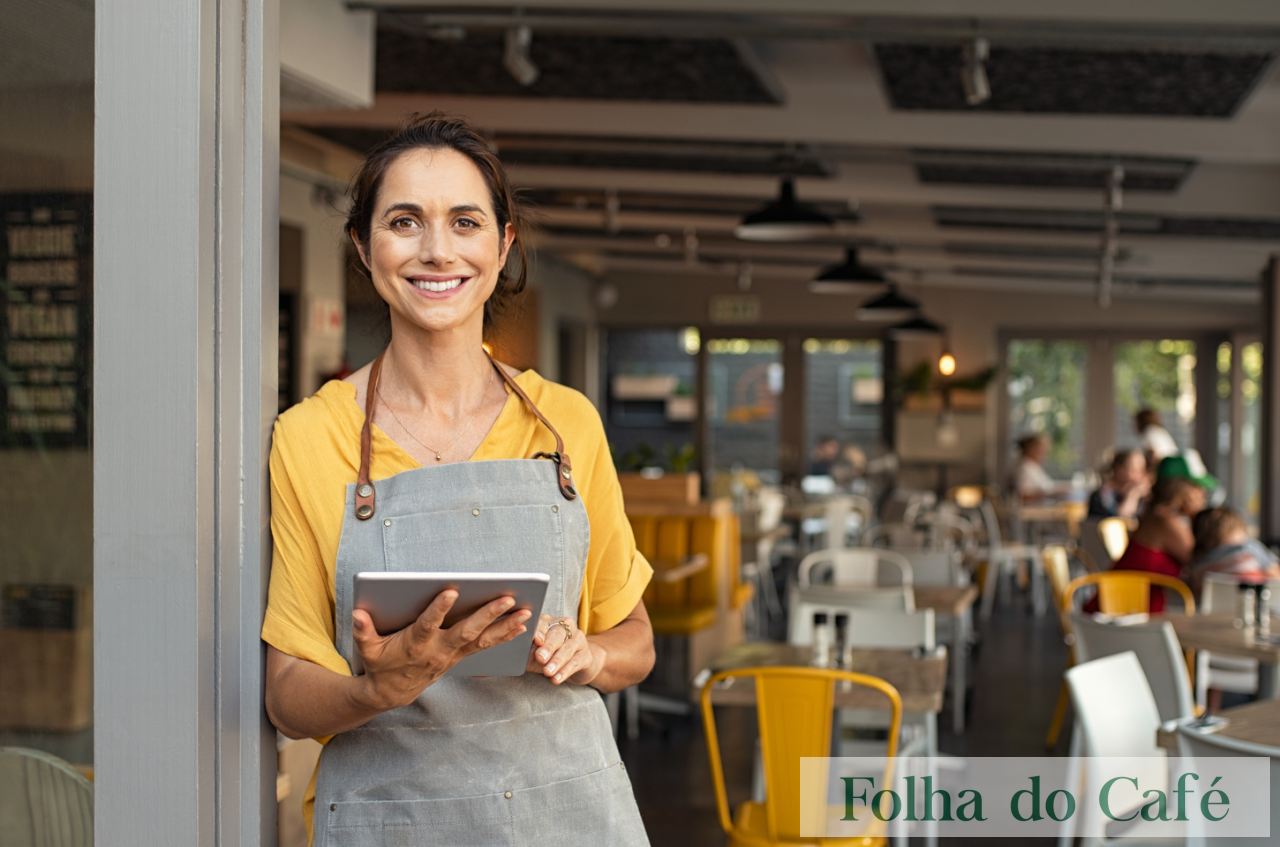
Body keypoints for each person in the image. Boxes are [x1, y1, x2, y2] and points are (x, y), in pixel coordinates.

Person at [261, 114, 654, 846]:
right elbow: (286, 694)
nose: (437, 250)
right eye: (404, 221)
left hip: (567, 813)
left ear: (502, 245)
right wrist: (375, 688)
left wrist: (592, 655)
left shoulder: (566, 425)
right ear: (362, 244)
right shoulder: (310, 437)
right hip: (394, 821)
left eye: (465, 222)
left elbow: (634, 635)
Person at [1111, 477, 1206, 612]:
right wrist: (1199, 516)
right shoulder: (1164, 520)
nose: (1202, 498)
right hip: (1122, 611)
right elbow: (1200, 558)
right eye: (1198, 493)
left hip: (1133, 607)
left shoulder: (1157, 516)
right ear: (1184, 493)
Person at [1190, 506, 1280, 597]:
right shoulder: (1248, 548)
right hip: (1253, 606)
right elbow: (1276, 577)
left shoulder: (1197, 565)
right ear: (1237, 529)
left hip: (1215, 610)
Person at [1087, 449, 1149, 519]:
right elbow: (1118, 521)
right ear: (1119, 471)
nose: (1142, 475)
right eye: (1135, 471)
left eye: (1144, 470)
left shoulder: (1144, 496)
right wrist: (1133, 496)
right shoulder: (1103, 496)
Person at [1008, 434, 1060, 504]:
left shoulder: (1033, 466)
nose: (1045, 454)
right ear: (1031, 449)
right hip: (1030, 511)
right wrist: (1049, 494)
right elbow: (1022, 495)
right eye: (1042, 450)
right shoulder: (1023, 468)